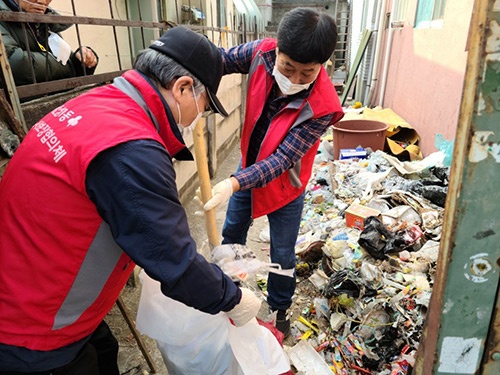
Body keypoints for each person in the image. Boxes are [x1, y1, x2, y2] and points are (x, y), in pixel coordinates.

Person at [0, 26, 261, 374]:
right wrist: (234, 299)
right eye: (203, 105)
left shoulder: (97, 103)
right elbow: (175, 263)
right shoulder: (131, 148)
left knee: (105, 351)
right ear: (182, 87)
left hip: (29, 286)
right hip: (32, 329)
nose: (200, 116)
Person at [203, 8, 344, 337]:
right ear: (277, 50)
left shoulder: (323, 106)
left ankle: (279, 309)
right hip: (247, 169)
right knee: (231, 237)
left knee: (282, 254)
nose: (294, 80)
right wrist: (188, 67)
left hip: (286, 186)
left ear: (322, 66)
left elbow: (282, 160)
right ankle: (230, 295)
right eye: (287, 67)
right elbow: (219, 59)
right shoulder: (260, 53)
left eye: (306, 73)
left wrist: (234, 182)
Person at [0, 0, 98, 86]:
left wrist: (81, 60)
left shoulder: (45, 20)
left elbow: (62, 57)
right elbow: (14, 63)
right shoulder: (3, 16)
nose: (42, 2)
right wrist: (69, 66)